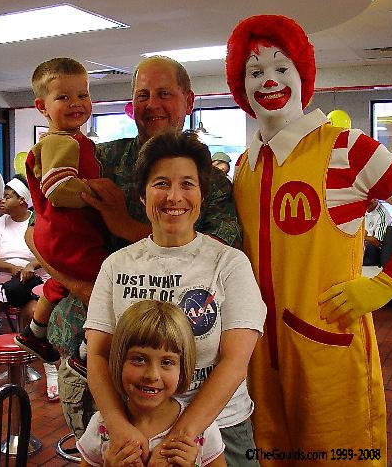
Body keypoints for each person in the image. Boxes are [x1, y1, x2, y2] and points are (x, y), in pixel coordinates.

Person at [25, 55, 241, 440]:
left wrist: (123, 225)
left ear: (188, 101)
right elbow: (35, 236)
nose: (152, 104)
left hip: (176, 377)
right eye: (143, 95)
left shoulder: (211, 184)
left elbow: (210, 265)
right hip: (87, 354)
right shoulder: (97, 159)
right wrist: (80, 287)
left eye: (164, 94)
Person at [226, 14, 392, 465]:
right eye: (255, 70)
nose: (269, 81)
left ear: (304, 75)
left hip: (329, 354)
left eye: (282, 68)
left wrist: (385, 282)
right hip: (258, 360)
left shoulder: (347, 147)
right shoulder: (245, 166)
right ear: (240, 86)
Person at [85, 130, 266, 466]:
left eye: (187, 183)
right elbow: (97, 355)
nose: (174, 196)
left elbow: (235, 362)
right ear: (142, 194)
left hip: (220, 428)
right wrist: (120, 428)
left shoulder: (228, 263)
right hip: (135, 429)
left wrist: (179, 439)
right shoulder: (117, 265)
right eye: (161, 183)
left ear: (201, 193)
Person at [15, 58, 107, 368]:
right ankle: (84, 353)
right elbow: (58, 189)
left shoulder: (71, 141)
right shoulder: (61, 142)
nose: (76, 103)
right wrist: (97, 194)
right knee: (104, 285)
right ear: (42, 105)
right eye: (63, 97)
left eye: (82, 94)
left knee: (59, 280)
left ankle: (34, 332)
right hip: (69, 233)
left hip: (55, 232)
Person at [78, 299, 226, 466]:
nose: (152, 375)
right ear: (119, 362)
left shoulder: (204, 431)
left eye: (167, 362)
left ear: (183, 368)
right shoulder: (100, 427)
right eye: (139, 359)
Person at [0, 175, 59, 400]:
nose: (1, 201)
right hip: (3, 279)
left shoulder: (39, 222)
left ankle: (49, 367)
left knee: (34, 314)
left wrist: (29, 267)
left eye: (7, 197)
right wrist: (13, 269)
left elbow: (46, 254)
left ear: (23, 200)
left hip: (34, 278)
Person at [363, 199, 392, 266]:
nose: (368, 200)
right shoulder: (362, 208)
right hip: (362, 243)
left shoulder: (382, 214)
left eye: (372, 198)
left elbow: (377, 242)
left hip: (374, 250)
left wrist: (362, 235)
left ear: (377, 199)